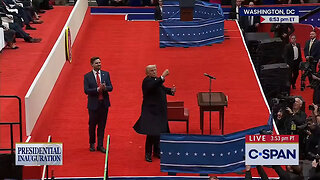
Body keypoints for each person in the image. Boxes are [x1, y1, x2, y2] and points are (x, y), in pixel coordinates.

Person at [133, 65, 176, 162]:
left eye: (155, 70)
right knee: (151, 133)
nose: (154, 72)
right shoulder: (147, 81)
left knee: (158, 132)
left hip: (159, 111)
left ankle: (156, 151)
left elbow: (162, 88)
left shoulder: (156, 80)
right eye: (152, 71)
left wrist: (171, 91)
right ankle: (148, 154)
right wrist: (163, 76)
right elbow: (154, 85)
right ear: (147, 73)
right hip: (150, 112)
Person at [84, 57, 113, 153]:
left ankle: (100, 145)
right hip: (93, 105)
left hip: (104, 104)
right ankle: (92, 143)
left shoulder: (106, 74)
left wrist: (105, 88)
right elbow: (86, 90)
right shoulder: (87, 76)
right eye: (97, 63)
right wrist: (97, 89)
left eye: (100, 62)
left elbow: (111, 87)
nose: (99, 64)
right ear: (92, 64)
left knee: (102, 125)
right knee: (92, 125)